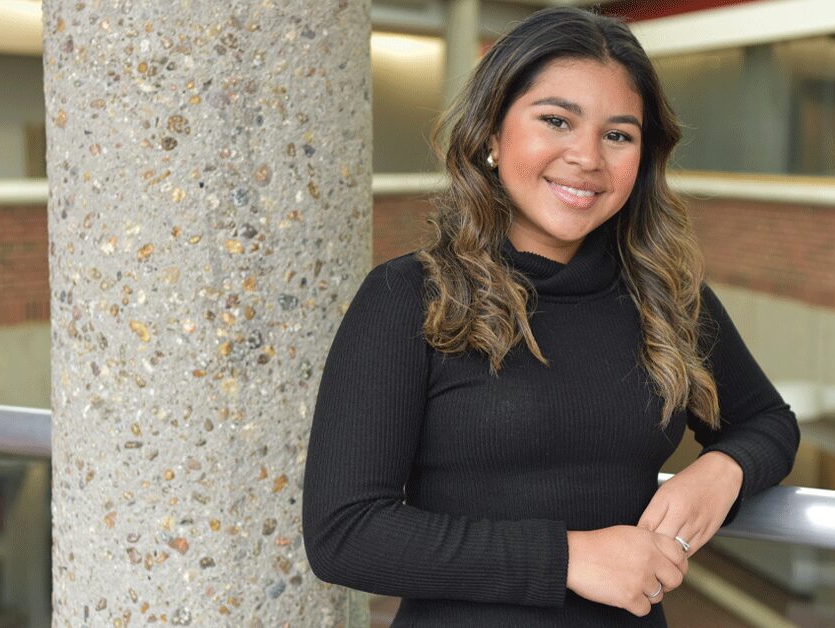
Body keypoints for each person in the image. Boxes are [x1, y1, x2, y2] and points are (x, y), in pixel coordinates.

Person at [302, 7, 799, 627]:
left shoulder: (667, 298)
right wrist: (567, 558)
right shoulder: (411, 296)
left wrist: (723, 470)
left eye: (618, 135)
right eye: (557, 121)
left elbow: (767, 422)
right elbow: (345, 534)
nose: (587, 158)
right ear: (490, 134)